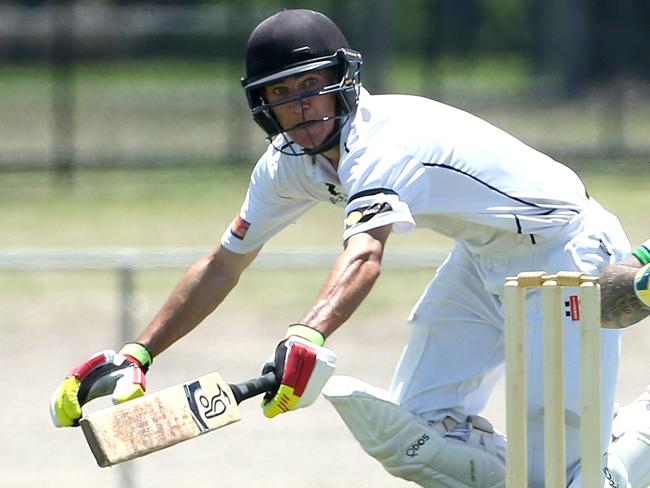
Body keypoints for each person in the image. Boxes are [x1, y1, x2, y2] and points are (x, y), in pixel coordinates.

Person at [51, 9, 650, 487]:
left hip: (567, 252)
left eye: (313, 84)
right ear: (263, 105)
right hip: (480, 257)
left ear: (344, 81)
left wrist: (307, 334)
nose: (303, 103)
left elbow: (366, 253)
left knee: (562, 477)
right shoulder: (288, 164)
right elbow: (221, 266)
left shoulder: (381, 142)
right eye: (283, 92)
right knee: (415, 437)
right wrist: (136, 353)